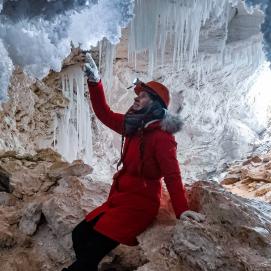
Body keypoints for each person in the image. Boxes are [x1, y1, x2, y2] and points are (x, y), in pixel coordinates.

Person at [62, 53, 204, 271]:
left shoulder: (163, 138)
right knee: (79, 234)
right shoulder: (133, 127)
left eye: (144, 96)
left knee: (89, 254)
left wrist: (182, 210)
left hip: (139, 205)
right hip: (118, 199)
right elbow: (104, 113)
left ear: (156, 105)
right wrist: (95, 80)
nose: (137, 98)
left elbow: (172, 175)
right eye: (139, 94)